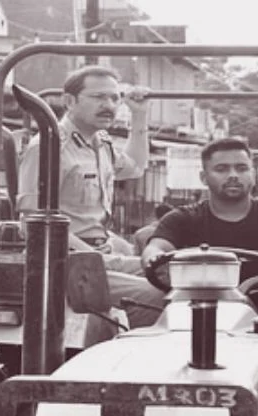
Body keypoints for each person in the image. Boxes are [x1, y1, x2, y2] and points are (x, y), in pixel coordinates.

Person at [16, 65, 165, 328]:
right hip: (64, 260)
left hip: (98, 251)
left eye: (114, 98)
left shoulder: (100, 142)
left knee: (175, 272)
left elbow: (136, 167)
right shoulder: (49, 146)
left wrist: (139, 115)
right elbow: (31, 224)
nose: (108, 105)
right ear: (69, 101)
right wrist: (94, 257)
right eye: (98, 97)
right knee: (159, 294)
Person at [140, 137, 258, 331]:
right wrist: (152, 258)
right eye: (221, 169)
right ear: (203, 177)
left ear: (253, 175)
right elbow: (156, 247)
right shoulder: (180, 219)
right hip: (192, 316)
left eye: (241, 168)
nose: (233, 175)